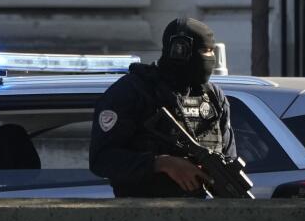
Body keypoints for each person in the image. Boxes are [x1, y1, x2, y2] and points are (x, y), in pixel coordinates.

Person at [88, 17, 239, 197]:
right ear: (180, 51)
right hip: (144, 215)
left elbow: (229, 157)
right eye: (205, 51)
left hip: (203, 214)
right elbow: (102, 159)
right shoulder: (133, 92)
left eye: (211, 51)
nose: (210, 58)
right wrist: (162, 164)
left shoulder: (213, 97)